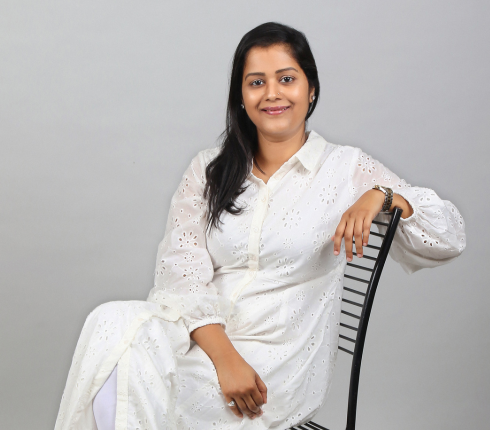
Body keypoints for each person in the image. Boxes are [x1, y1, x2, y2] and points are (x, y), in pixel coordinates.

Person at [54, 22, 466, 430]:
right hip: (205, 344)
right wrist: (225, 359)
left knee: (129, 391)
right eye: (256, 82)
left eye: (287, 79)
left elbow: (449, 236)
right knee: (112, 325)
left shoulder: (345, 168)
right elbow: (181, 274)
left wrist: (385, 195)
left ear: (312, 89)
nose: (272, 93)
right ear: (241, 97)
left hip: (274, 367)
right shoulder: (209, 169)